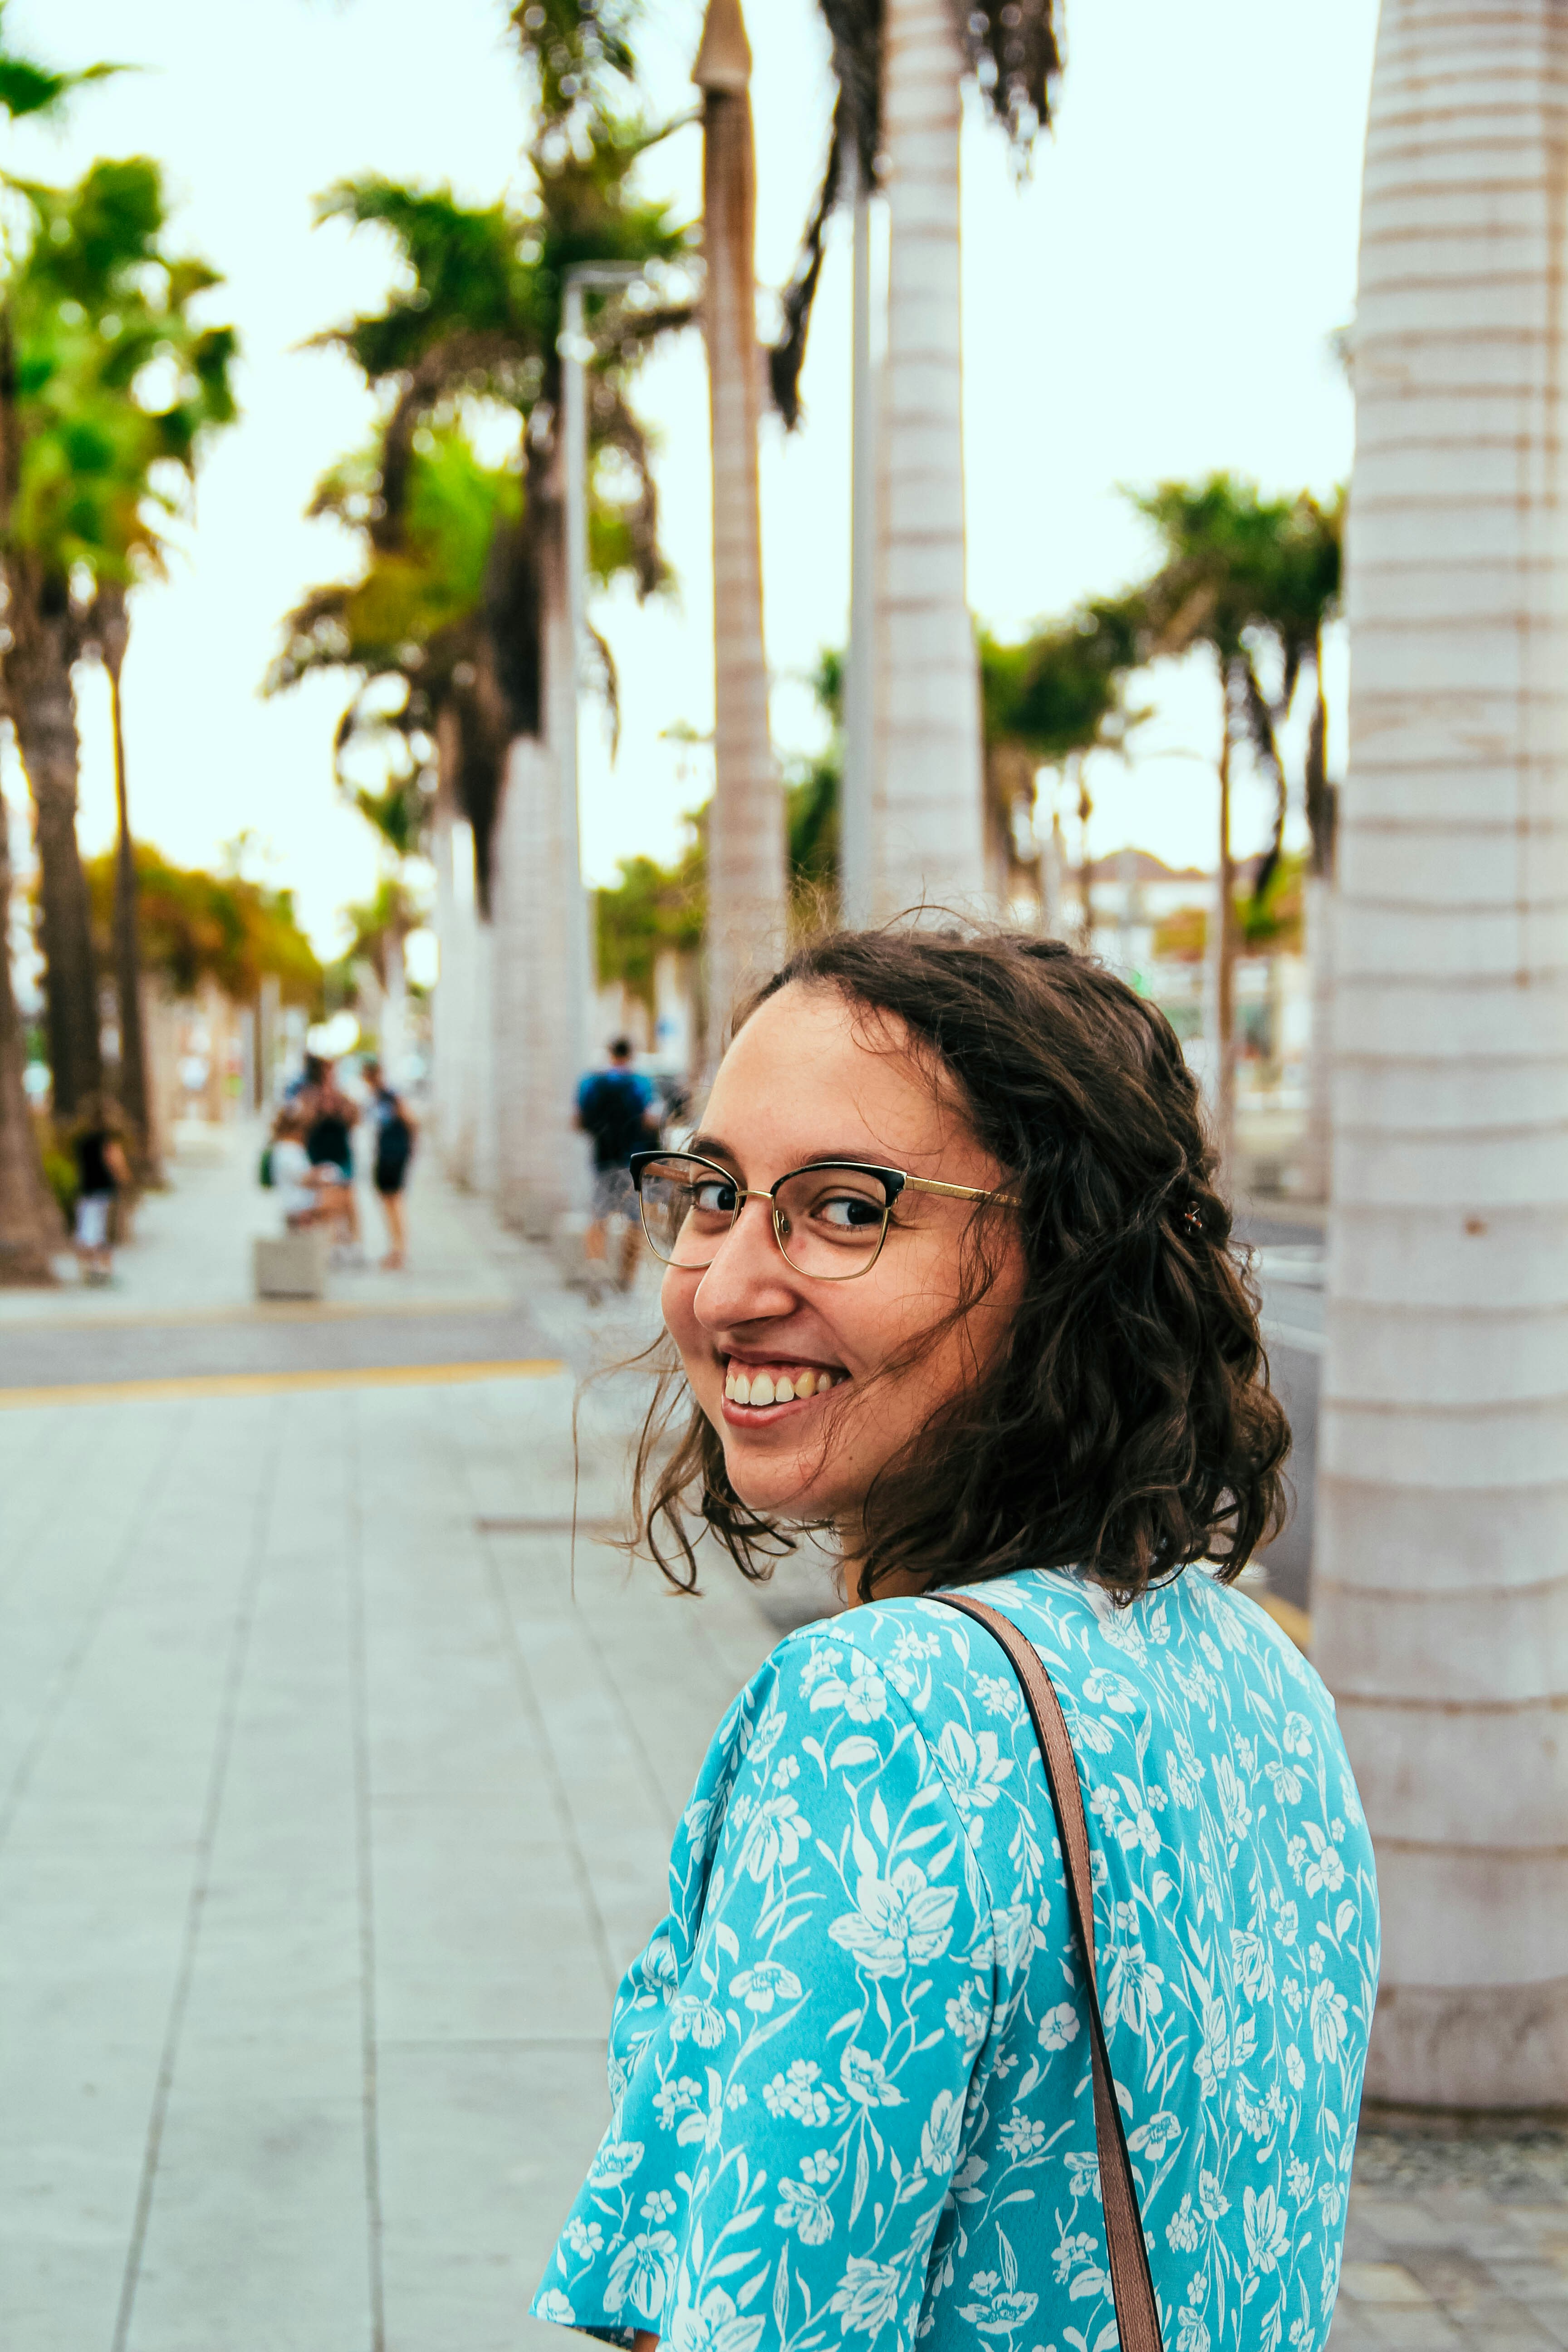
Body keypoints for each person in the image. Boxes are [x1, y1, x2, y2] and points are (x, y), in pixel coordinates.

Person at [533, 929, 1378, 2352]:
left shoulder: (883, 1713)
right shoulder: (1262, 1675)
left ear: (1067, 1261)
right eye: (716, 1193)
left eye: (846, 1210)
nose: (729, 1285)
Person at [576, 1036, 659, 1294]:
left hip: (603, 1160)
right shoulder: (642, 1083)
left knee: (598, 1218)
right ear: (631, 1054)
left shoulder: (592, 1082)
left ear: (611, 1054)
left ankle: (595, 1271)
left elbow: (579, 1120)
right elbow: (651, 1120)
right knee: (636, 1221)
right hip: (633, 1162)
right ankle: (626, 1279)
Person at [360, 1055, 418, 1270]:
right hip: (384, 1154)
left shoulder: (390, 1096)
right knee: (387, 1202)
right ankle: (396, 1247)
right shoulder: (374, 1098)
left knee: (394, 1201)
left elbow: (411, 1122)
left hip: (394, 1155)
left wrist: (409, 1151)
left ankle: (399, 1249)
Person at [269, 1103, 353, 1241]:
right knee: (341, 1198)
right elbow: (304, 1179)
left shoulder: (284, 1148)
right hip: (297, 1202)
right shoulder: (288, 1149)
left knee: (338, 1198)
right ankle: (339, 1242)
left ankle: (337, 1241)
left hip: (299, 1198)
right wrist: (324, 1176)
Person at [71, 1097, 131, 1285]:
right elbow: (116, 1162)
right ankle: (105, 1271)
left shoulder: (81, 1142)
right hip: (105, 1190)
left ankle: (88, 1271)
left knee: (86, 1232)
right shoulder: (107, 1140)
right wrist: (125, 1179)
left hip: (86, 1190)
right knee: (104, 1232)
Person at [304, 1060, 360, 1251]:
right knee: (330, 1202)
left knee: (348, 1202)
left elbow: (354, 1119)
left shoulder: (343, 1102)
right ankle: (335, 1243)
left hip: (341, 1158)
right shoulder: (311, 1101)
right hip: (320, 1159)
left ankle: (351, 1243)